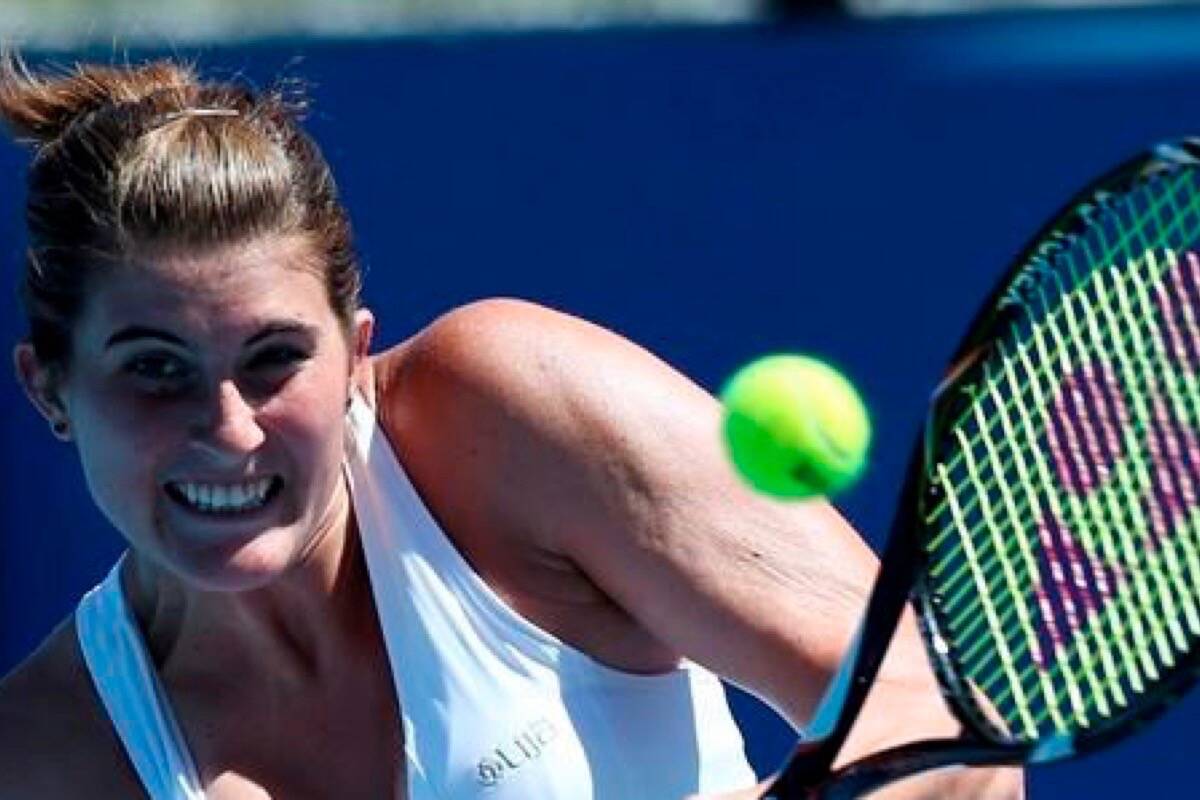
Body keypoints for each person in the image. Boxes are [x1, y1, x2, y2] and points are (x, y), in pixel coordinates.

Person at [0, 54, 1022, 800]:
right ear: (51, 388)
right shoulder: (47, 755)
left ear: (357, 351)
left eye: (274, 359)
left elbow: (941, 721)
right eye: (154, 371)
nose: (228, 427)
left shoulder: (500, 413)